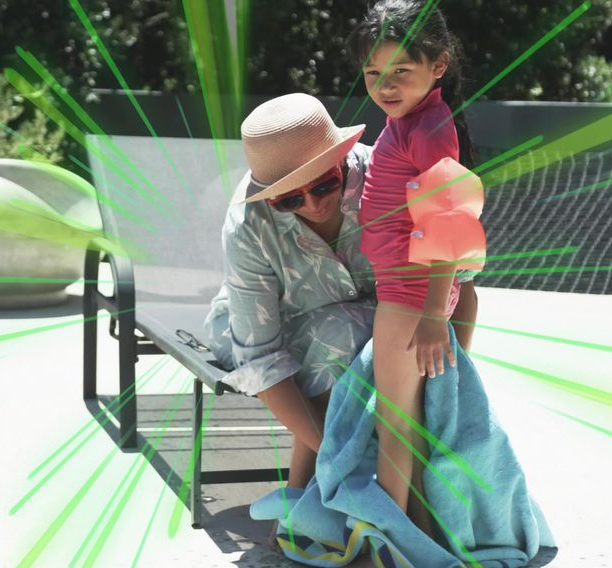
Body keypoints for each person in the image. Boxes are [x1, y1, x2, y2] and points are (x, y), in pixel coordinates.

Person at [349, 0, 485, 538]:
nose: (385, 84)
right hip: (404, 294)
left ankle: (392, 540)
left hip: (409, 298)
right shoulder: (408, 122)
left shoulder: (428, 129)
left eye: (401, 71)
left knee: (395, 427)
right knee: (410, 424)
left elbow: (448, 221)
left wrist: (432, 314)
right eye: (373, 72)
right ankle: (419, 532)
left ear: (438, 66)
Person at [203, 93, 376, 491]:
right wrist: (339, 462)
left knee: (359, 330)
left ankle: (307, 497)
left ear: (343, 158)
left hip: (367, 322)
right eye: (291, 199)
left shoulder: (386, 176)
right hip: (271, 326)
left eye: (325, 184)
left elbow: (454, 281)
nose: (313, 205)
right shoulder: (248, 227)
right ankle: (320, 489)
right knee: (340, 335)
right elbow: (262, 358)